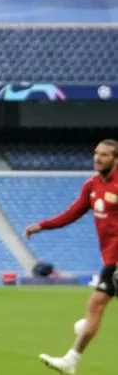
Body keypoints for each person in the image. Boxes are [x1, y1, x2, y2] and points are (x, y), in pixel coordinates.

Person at [25, 139, 118, 375]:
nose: (98, 158)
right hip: (111, 260)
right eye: (96, 153)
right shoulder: (92, 185)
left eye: (105, 155)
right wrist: (42, 226)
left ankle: (72, 358)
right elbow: (73, 213)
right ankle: (71, 360)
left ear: (115, 159)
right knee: (95, 306)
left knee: (95, 306)